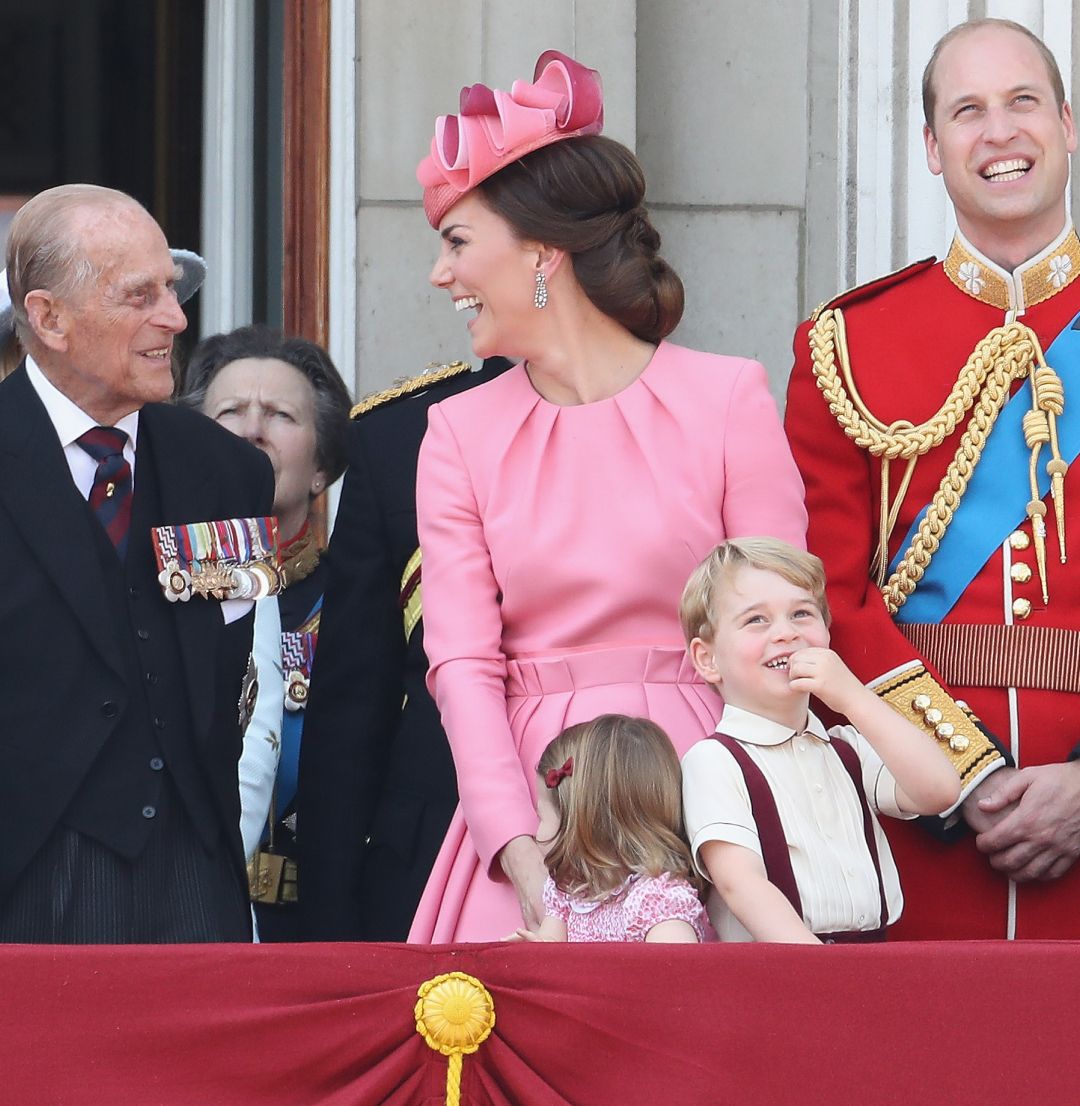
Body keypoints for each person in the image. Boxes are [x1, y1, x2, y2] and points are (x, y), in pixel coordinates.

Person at [411, 50, 807, 943]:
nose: (442, 274)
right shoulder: (458, 434)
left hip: (712, 789)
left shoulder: (728, 396)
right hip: (533, 802)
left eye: (457, 241)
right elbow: (462, 666)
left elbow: (782, 627)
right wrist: (516, 845)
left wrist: (741, 816)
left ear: (543, 252)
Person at [786, 18, 1080, 941]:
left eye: (1023, 102)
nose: (999, 133)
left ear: (1068, 125)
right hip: (914, 815)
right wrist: (965, 770)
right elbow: (821, 591)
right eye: (968, 111)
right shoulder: (848, 344)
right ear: (930, 147)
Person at [0, 183, 274, 942]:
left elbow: (242, 677)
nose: (176, 318)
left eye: (174, 291)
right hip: (22, 883)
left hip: (193, 877)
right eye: (141, 295)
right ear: (49, 317)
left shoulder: (232, 474)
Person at [297, 354, 513, 943]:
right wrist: (330, 931)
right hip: (432, 855)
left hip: (641, 821)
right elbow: (350, 711)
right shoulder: (398, 434)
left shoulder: (693, 408)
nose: (442, 275)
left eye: (458, 252)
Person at [679, 539, 959, 943]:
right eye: (756, 620)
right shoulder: (714, 760)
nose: (786, 633)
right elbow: (741, 884)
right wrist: (821, 974)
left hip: (870, 957)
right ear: (708, 659)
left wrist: (854, 697)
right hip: (781, 971)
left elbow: (940, 790)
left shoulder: (846, 748)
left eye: (802, 613)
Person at [179, 324, 351, 941]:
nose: (253, 430)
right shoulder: (157, 596)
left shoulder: (360, 601)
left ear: (321, 467)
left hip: (322, 929)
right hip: (185, 914)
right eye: (229, 412)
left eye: (280, 415)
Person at [508, 714, 710, 943]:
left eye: (541, 817)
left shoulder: (656, 900)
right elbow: (553, 951)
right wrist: (533, 953)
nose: (537, 833)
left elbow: (673, 973)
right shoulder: (570, 890)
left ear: (583, 824)